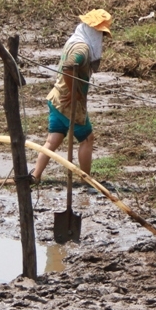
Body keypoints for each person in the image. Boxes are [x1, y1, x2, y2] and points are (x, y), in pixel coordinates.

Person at [31, 9, 112, 184]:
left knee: (53, 139)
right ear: (94, 31)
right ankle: (86, 180)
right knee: (87, 139)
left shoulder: (75, 40)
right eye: (101, 34)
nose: (102, 38)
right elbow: (68, 67)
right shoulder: (82, 48)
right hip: (70, 103)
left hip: (56, 97)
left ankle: (35, 175)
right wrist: (75, 92)